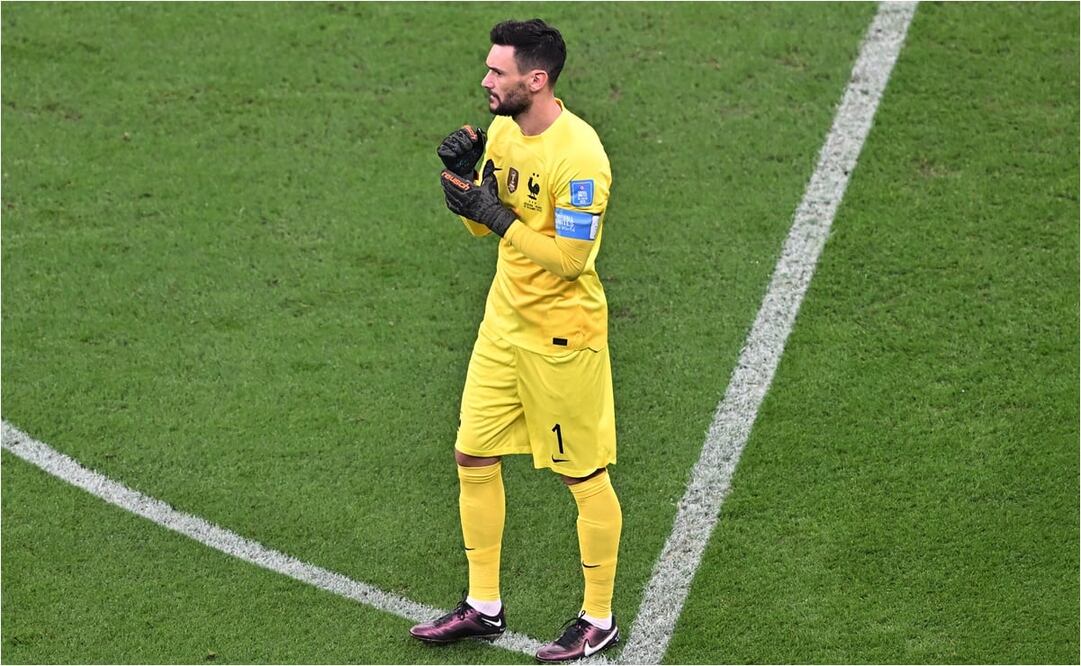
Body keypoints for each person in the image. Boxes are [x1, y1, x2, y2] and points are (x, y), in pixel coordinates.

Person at [409, 18, 622, 663]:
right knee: (473, 455)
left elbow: (571, 261)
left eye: (497, 71)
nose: (485, 80)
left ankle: (599, 618)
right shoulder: (501, 132)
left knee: (582, 476)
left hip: (562, 339)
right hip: (503, 327)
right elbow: (488, 228)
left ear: (537, 79)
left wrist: (494, 214)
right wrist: (467, 193)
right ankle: (484, 606)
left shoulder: (580, 155)